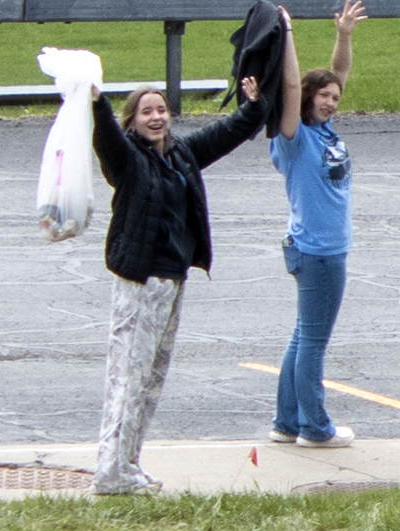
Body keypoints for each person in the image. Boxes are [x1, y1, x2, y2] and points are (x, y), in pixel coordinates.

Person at [90, 77, 267, 494]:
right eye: (146, 112)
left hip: (172, 279)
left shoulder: (181, 154)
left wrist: (254, 106)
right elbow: (107, 140)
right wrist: (97, 102)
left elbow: (224, 135)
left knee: (150, 380)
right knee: (127, 378)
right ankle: (110, 472)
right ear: (132, 121)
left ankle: (128, 465)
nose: (156, 117)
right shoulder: (128, 159)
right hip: (141, 281)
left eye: (162, 110)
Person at [269, 0, 367, 448]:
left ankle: (286, 423)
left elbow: (339, 71)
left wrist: (343, 36)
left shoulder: (325, 130)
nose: (330, 101)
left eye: (335, 97)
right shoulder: (295, 137)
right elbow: (290, 85)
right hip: (318, 251)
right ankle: (315, 427)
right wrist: (286, 32)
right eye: (322, 95)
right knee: (313, 342)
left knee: (302, 335)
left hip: (317, 246)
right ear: (306, 97)